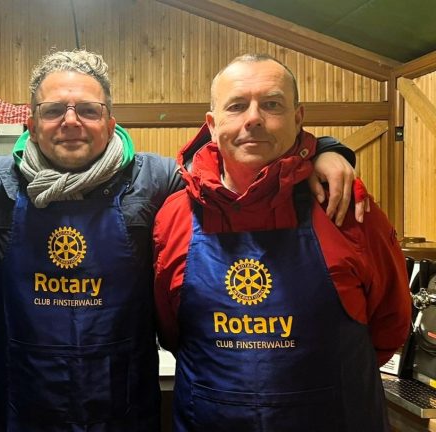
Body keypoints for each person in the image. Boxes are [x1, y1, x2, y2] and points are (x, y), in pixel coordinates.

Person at [0, 50, 364, 431]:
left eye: (87, 109)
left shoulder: (155, 177)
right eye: (54, 110)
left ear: (111, 117)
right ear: (30, 118)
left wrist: (326, 150)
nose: (70, 121)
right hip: (20, 409)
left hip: (122, 411)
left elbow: (237, 158)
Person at [153, 54, 410, 432]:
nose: (253, 118)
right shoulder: (174, 215)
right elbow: (172, 330)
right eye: (237, 106)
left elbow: (391, 324)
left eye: (271, 104)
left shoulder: (345, 205)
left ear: (298, 117)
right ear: (211, 124)